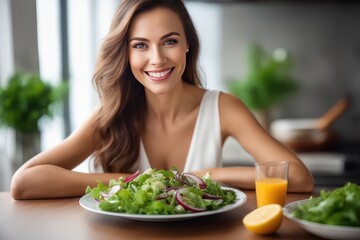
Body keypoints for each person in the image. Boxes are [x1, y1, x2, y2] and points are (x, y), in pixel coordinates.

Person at [10, 0, 314, 200]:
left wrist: (202, 177)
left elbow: (299, 177)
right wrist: (134, 180)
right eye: (141, 45)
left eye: (169, 41)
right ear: (126, 55)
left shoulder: (223, 107)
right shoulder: (111, 113)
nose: (157, 59)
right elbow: (24, 183)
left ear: (187, 46)